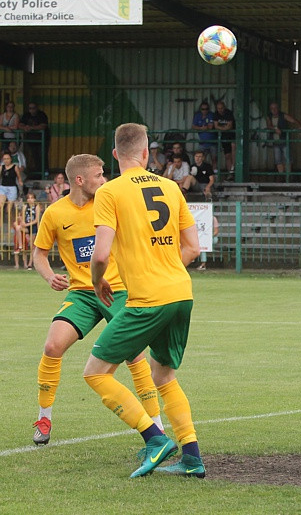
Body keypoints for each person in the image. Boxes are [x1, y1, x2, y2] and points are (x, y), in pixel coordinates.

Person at [84, 122, 204, 478]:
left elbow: (101, 254)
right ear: (147, 153)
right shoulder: (170, 186)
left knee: (96, 372)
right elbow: (193, 248)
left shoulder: (110, 192)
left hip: (148, 298)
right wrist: (165, 268)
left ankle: (154, 438)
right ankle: (192, 458)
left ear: (115, 154)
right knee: (163, 375)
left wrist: (97, 282)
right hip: (181, 293)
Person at [31, 154, 162, 446]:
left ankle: (157, 424)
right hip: (81, 293)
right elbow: (38, 254)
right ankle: (44, 417)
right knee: (52, 346)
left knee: (135, 353)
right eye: (99, 175)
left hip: (117, 291)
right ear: (80, 180)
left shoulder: (109, 202)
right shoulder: (55, 213)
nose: (104, 180)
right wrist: (49, 275)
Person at [266, 101, 301, 175]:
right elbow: (269, 126)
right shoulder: (269, 116)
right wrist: (275, 128)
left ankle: (288, 176)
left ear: (278, 108)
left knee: (287, 158)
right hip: (275, 141)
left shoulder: (283, 115)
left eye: (275, 108)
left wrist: (299, 125)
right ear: (270, 109)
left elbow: (293, 120)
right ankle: (281, 176)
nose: (274, 110)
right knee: (278, 159)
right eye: (272, 108)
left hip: (284, 139)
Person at [19, 102, 49, 177]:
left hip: (43, 139)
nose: (32, 110)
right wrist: (25, 127)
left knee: (43, 155)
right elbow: (20, 124)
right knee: (34, 156)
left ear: (37, 108)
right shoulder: (26, 115)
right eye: (30, 108)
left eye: (33, 108)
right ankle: (37, 173)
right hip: (31, 139)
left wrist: (31, 128)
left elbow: (43, 126)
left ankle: (45, 172)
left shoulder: (41, 115)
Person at [14, 191, 41, 270]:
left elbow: (36, 220)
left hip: (33, 226)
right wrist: (22, 222)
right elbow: (22, 216)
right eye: (28, 198)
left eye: (32, 198)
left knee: (32, 246)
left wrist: (27, 224)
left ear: (34, 199)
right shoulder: (25, 207)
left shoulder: (37, 207)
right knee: (18, 228)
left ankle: (30, 263)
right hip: (26, 226)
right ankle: (20, 245)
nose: (30, 200)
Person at [213, 100, 236, 177]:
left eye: (221, 108)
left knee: (234, 150)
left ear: (224, 107)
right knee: (227, 156)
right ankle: (230, 174)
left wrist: (221, 128)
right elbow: (216, 126)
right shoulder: (216, 114)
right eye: (218, 108)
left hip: (232, 136)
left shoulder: (229, 113)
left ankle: (234, 169)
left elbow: (230, 126)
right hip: (224, 137)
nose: (220, 110)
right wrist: (224, 128)